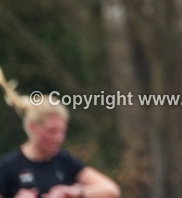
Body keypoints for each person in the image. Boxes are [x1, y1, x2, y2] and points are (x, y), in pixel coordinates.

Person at [0, 69, 120, 198]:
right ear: (32, 127)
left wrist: (74, 192)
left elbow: (111, 189)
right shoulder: (9, 166)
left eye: (62, 132)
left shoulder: (64, 161)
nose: (58, 138)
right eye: (51, 131)